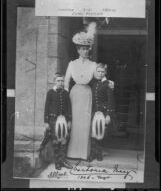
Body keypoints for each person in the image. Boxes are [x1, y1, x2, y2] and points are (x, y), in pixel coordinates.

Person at [64, 31, 97, 160]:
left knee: (85, 124)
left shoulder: (93, 65)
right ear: (78, 50)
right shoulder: (72, 64)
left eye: (87, 49)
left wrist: (108, 82)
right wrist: (64, 97)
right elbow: (66, 82)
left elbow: (100, 77)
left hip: (87, 94)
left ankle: (84, 153)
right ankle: (72, 153)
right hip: (75, 94)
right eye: (83, 49)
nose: (85, 51)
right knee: (74, 123)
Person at [39, 72, 72, 170]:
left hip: (64, 120)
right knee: (56, 141)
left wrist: (69, 120)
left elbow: (69, 108)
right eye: (58, 81)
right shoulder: (50, 93)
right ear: (54, 81)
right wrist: (46, 122)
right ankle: (57, 162)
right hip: (53, 120)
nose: (60, 82)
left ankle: (62, 160)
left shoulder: (66, 93)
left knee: (64, 140)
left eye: (62, 81)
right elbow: (46, 107)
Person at [89, 63, 118, 162]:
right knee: (93, 133)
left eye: (102, 72)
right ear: (95, 72)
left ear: (105, 72)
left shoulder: (108, 84)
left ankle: (99, 153)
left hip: (103, 112)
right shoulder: (93, 82)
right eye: (98, 71)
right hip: (93, 112)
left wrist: (108, 115)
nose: (100, 73)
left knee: (100, 133)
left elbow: (111, 100)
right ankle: (92, 153)